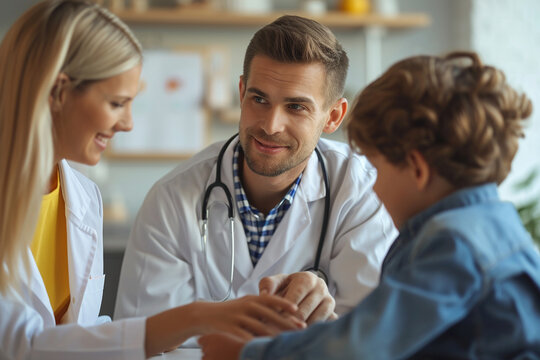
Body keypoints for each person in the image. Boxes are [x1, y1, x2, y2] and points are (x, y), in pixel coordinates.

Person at [0, 1, 304, 359]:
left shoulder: (81, 198)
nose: (128, 123)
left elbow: (76, 338)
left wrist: (182, 329)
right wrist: (192, 318)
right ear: (59, 92)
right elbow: (17, 345)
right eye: (117, 103)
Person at [198, 51, 540, 359]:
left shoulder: (455, 243)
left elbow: (366, 346)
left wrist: (249, 353)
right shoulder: (492, 226)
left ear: (417, 170)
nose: (372, 185)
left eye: (376, 168)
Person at [114, 14, 397, 337]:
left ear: (333, 116)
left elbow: (371, 340)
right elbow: (142, 343)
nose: (270, 125)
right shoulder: (172, 199)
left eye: (296, 107)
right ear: (241, 91)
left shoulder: (361, 191)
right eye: (259, 99)